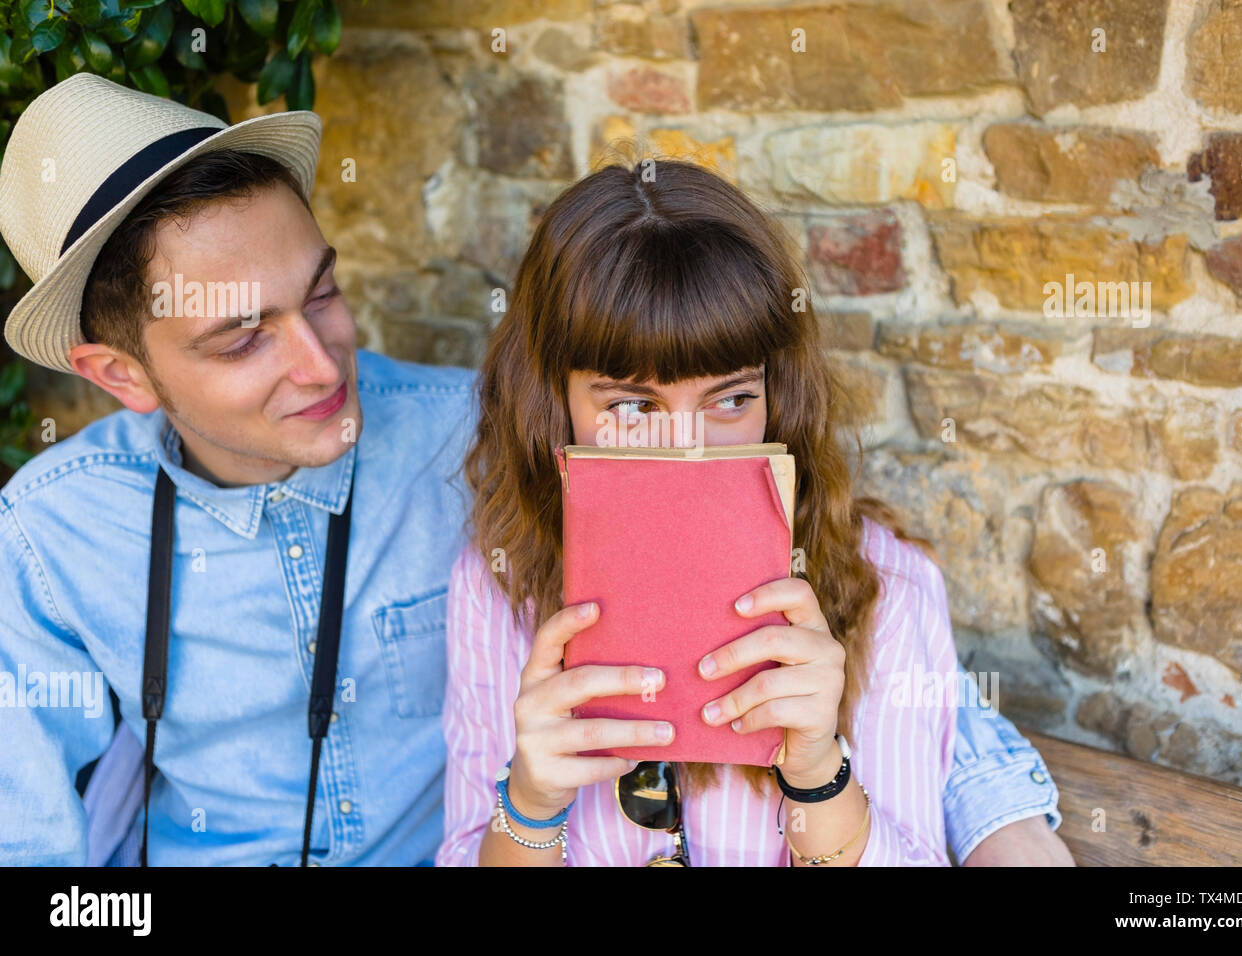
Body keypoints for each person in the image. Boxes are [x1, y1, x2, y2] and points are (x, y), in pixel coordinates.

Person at [436, 158, 1074, 866]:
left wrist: (817, 777)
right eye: (633, 406)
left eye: (731, 399)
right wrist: (529, 803)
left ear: (779, 397)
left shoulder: (887, 588)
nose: (687, 450)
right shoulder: (496, 589)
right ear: (553, 405)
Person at [0, 74, 475, 865]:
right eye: (242, 340)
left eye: (321, 293)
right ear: (122, 376)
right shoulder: (49, 531)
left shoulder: (479, 437)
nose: (322, 368)